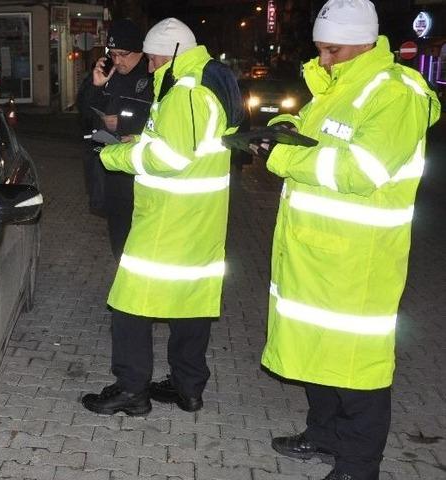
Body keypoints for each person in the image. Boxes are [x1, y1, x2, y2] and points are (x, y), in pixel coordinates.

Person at [258, 2, 440, 479]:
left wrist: (281, 158)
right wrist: (281, 132)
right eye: (320, 49)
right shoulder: (338, 86)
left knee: (359, 369)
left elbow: (362, 170)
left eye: (331, 50)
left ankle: (358, 467)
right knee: (318, 351)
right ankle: (322, 435)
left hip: (359, 261)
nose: (323, 59)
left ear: (364, 42)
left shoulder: (395, 93)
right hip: (315, 253)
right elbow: (314, 139)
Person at [80, 18, 243, 416]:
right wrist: (143, 138)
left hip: (168, 218)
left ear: (172, 54)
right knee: (191, 304)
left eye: (153, 60)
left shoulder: (185, 92)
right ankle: (188, 388)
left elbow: (168, 157)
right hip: (200, 217)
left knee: (129, 303)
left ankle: (132, 390)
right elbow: (185, 143)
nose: (150, 67)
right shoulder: (208, 84)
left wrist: (116, 155)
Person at [76, 19, 153, 259]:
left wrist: (121, 124)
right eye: (113, 54)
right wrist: (96, 86)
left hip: (138, 176)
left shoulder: (152, 77)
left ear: (140, 51)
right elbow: (84, 112)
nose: (117, 61)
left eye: (123, 54)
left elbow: (159, 121)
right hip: (108, 172)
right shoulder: (108, 74)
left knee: (141, 243)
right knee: (119, 240)